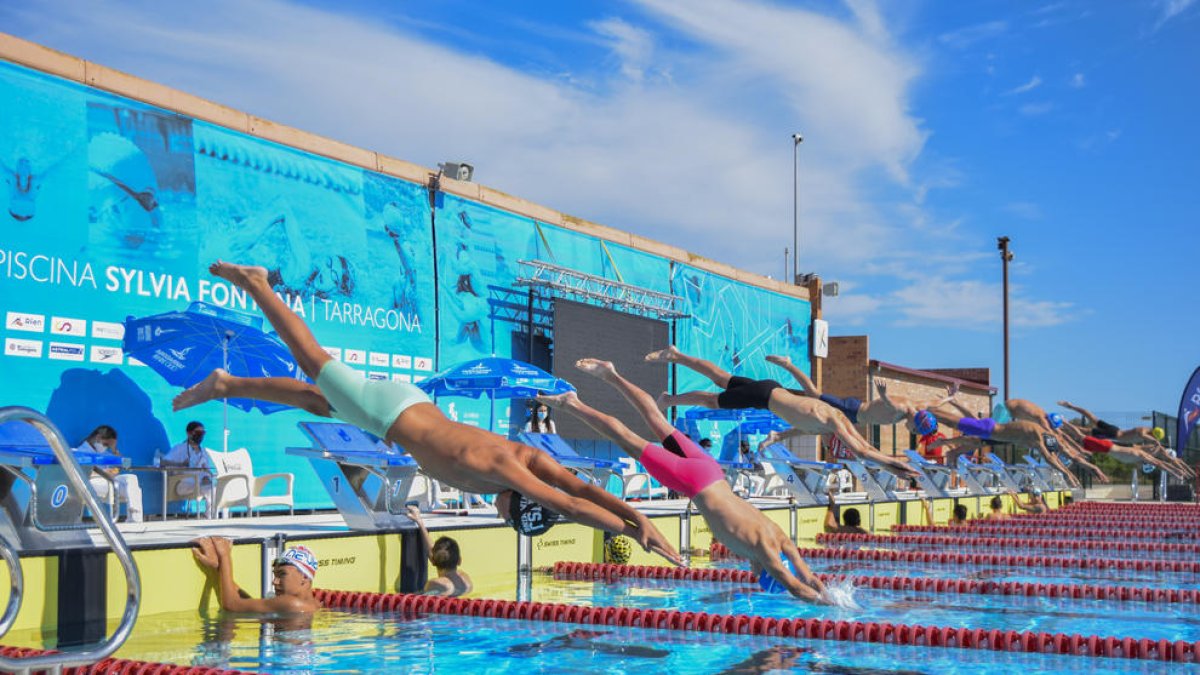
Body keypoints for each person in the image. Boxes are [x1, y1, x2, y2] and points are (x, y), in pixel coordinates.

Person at [174, 262, 678, 565]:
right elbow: (569, 504)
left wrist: (638, 517)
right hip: (389, 414)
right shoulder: (503, 470)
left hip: (406, 406)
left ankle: (227, 384)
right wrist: (634, 532)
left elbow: (582, 489)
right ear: (518, 506)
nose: (500, 517)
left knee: (316, 399)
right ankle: (258, 286)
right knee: (312, 360)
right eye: (510, 519)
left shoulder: (525, 457)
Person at [539, 359, 829, 603]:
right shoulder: (764, 552)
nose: (754, 574)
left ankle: (612, 374)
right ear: (766, 572)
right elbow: (795, 585)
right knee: (627, 439)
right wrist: (826, 606)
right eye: (759, 576)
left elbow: (807, 576)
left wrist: (829, 594)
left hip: (711, 471)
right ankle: (572, 403)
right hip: (692, 482)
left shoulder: (778, 536)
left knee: (656, 418)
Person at [647, 346, 917, 480]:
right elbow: (863, 451)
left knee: (721, 377)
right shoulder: (834, 421)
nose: (827, 446)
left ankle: (676, 355)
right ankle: (669, 400)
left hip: (769, 392)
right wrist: (893, 465)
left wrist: (775, 438)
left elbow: (796, 430)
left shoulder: (823, 424)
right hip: (763, 396)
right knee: (712, 401)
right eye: (831, 446)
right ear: (835, 438)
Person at [765, 354, 956, 429]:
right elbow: (890, 404)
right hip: (852, 409)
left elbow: (935, 403)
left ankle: (777, 436)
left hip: (856, 418)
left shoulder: (920, 407)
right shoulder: (902, 409)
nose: (912, 431)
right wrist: (883, 394)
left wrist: (949, 397)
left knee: (819, 428)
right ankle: (788, 364)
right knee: (813, 395)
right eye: (915, 430)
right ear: (916, 422)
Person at [192, 536, 320, 614]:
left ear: (304, 577)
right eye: (275, 575)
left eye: (282, 574)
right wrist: (220, 568)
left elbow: (231, 605)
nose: (274, 582)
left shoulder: (292, 604)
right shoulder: (313, 604)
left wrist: (224, 555)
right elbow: (248, 604)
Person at [77, 425, 143, 523]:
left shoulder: (105, 453)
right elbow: (80, 473)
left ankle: (135, 518)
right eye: (106, 444)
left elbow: (127, 464)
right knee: (130, 489)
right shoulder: (81, 451)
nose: (106, 447)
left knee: (131, 479)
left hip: (109, 482)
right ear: (98, 438)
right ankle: (134, 517)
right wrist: (102, 473)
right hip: (93, 482)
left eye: (109, 446)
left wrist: (114, 450)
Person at [406, 506, 471, 597]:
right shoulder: (466, 581)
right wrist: (420, 522)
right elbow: (433, 551)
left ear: (432, 560)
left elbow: (418, 600)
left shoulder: (435, 584)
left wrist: (419, 521)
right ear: (459, 560)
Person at [162, 421, 215, 517]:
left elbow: (207, 470)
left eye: (202, 433)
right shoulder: (180, 448)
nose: (200, 435)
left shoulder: (203, 452)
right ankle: (209, 515)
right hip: (183, 484)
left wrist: (206, 477)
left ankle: (210, 516)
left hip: (199, 483)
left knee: (212, 488)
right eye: (197, 432)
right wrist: (180, 464)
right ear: (189, 433)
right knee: (208, 489)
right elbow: (163, 462)